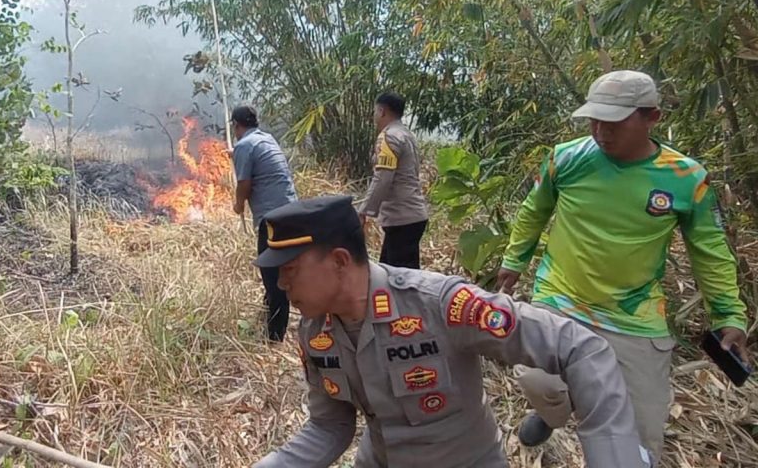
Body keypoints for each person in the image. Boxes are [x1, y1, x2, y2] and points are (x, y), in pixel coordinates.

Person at [252, 194, 651, 468]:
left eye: (290, 270)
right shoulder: (315, 331)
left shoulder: (440, 304)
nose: (282, 285)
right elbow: (331, 425)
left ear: (339, 261)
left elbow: (578, 348)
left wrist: (612, 452)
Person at [496, 70, 750, 463]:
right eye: (594, 120)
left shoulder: (687, 179)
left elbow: (710, 250)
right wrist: (514, 260)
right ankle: (554, 412)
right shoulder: (566, 159)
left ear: (652, 118)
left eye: (613, 122)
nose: (601, 131)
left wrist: (728, 314)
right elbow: (534, 210)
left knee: (641, 442)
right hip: (560, 299)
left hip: (635, 315)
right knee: (535, 377)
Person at [231, 105, 298, 342]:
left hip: (273, 218)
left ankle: (275, 337)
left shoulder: (244, 145)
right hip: (291, 211)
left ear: (236, 126)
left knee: (273, 274)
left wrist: (238, 204)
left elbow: (244, 184)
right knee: (283, 269)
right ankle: (272, 319)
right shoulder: (266, 139)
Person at [357, 92, 429, 269]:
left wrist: (364, 211)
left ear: (381, 111)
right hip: (412, 215)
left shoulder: (388, 137)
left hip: (402, 217)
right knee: (390, 271)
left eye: (375, 111)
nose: (374, 116)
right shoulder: (406, 134)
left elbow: (383, 178)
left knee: (401, 278)